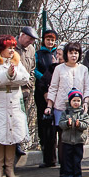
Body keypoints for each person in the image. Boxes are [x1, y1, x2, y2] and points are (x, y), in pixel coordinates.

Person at [0, 35, 30, 177]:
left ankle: (10, 169)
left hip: (14, 104)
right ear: (0, 49)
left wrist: (12, 75)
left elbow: (25, 78)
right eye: (8, 48)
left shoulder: (16, 62)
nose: (12, 51)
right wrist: (6, 75)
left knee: (12, 137)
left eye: (13, 48)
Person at [45, 41, 89, 134]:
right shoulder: (58, 69)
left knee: (77, 136)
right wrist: (49, 106)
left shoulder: (84, 69)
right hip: (61, 108)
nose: (73, 55)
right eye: (71, 53)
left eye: (76, 53)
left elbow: (87, 88)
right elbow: (53, 87)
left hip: (78, 109)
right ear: (66, 54)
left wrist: (86, 103)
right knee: (63, 137)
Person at [34, 29, 60, 169]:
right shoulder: (39, 54)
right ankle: (47, 156)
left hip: (57, 92)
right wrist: (44, 79)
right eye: (48, 39)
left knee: (56, 125)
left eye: (52, 40)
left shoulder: (58, 53)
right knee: (44, 124)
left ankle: (57, 156)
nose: (50, 42)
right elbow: (34, 69)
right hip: (42, 91)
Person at [58, 89, 89, 177]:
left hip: (78, 140)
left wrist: (79, 125)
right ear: (70, 101)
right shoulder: (66, 113)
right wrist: (67, 123)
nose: (76, 103)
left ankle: (78, 175)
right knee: (68, 159)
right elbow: (61, 124)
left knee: (77, 159)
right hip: (67, 140)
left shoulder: (83, 113)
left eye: (78, 100)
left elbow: (86, 124)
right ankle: (69, 175)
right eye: (74, 100)